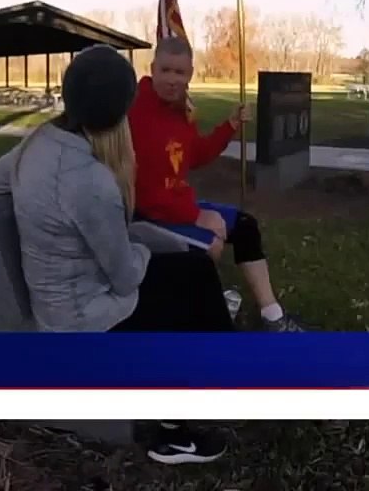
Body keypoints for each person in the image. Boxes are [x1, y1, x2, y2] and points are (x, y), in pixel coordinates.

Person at [0, 43, 231, 465]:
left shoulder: (40, 143)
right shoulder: (91, 182)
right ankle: (172, 436)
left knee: (194, 270)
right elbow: (126, 278)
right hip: (83, 321)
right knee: (183, 288)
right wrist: (143, 248)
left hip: (67, 297)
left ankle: (224, 371)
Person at [127, 35, 304, 332]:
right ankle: (204, 317)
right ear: (153, 69)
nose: (172, 79)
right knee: (210, 246)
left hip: (177, 205)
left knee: (245, 226)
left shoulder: (182, 110)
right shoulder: (137, 111)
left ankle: (272, 316)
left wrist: (229, 127)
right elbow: (147, 189)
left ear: (190, 74)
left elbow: (195, 155)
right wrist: (197, 216)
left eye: (179, 72)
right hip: (147, 214)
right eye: (165, 70)